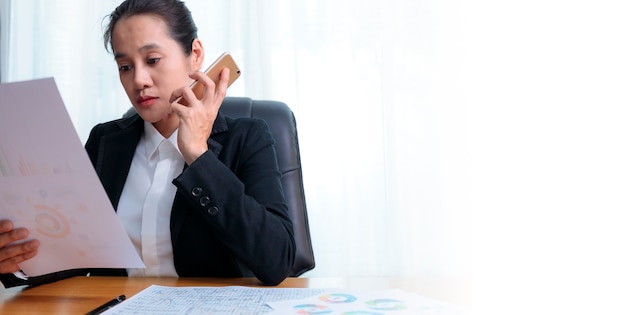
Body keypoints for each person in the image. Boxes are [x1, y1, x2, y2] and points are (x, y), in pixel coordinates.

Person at [0, 0, 295, 288]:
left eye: (152, 60)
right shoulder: (105, 143)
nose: (138, 80)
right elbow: (77, 254)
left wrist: (198, 156)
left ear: (195, 54)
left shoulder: (247, 138)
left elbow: (276, 261)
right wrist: (21, 262)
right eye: (125, 66)